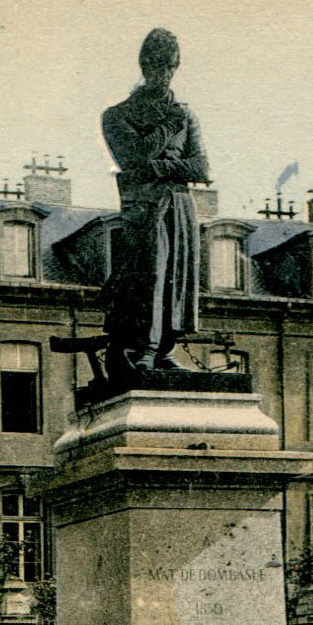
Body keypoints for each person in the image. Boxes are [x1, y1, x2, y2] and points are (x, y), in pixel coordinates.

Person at [99, 28, 210, 380]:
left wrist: (159, 168)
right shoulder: (117, 115)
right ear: (144, 64)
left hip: (179, 205)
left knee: (178, 278)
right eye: (157, 64)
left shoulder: (186, 115)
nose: (164, 72)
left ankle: (163, 349)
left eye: (170, 65)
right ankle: (141, 349)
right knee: (149, 277)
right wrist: (166, 128)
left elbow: (201, 167)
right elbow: (134, 157)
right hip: (144, 208)